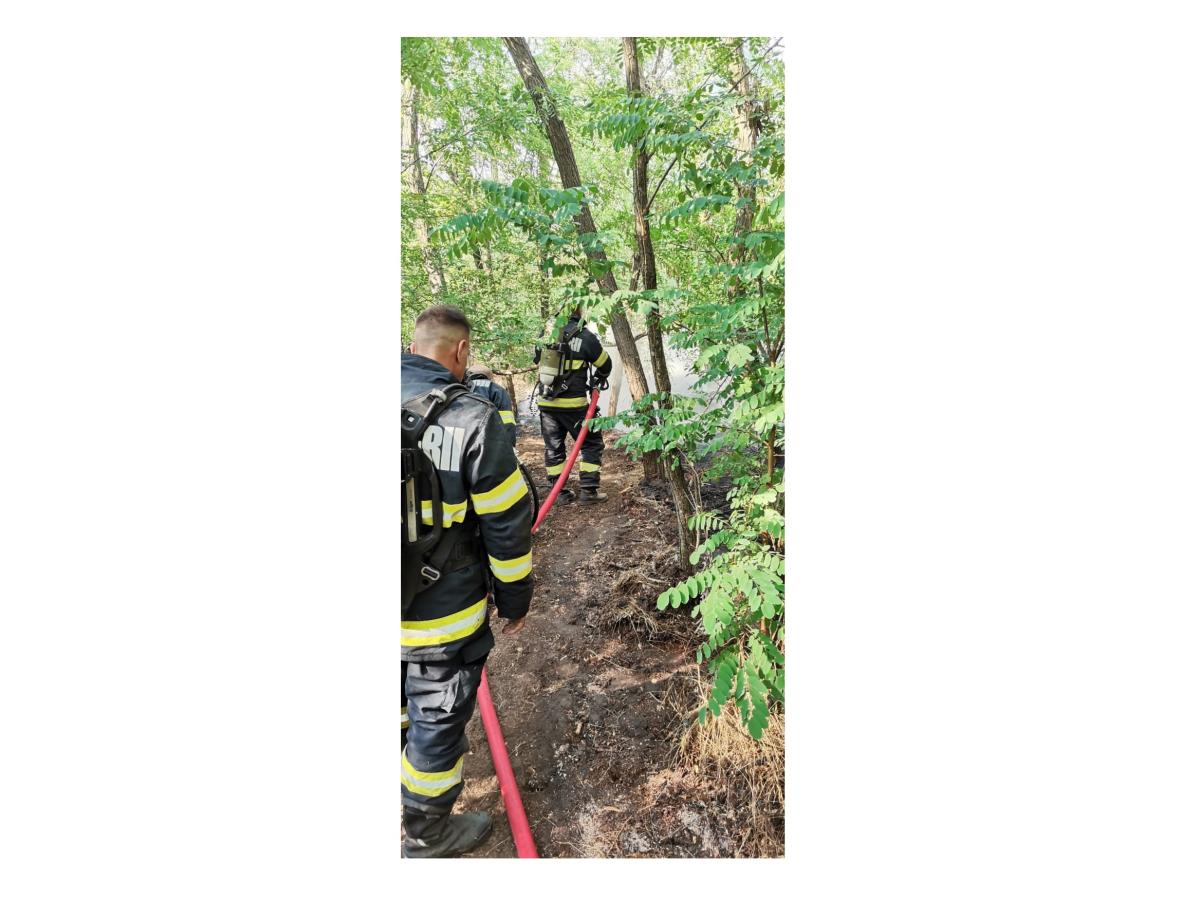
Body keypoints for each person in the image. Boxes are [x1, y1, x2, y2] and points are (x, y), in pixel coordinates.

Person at [402, 305, 533, 858]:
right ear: (460, 351)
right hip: (440, 614)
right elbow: (507, 522)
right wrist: (514, 599)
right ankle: (425, 835)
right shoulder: (471, 418)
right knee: (436, 717)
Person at [536, 308, 613, 501]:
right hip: (574, 406)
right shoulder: (585, 336)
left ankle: (559, 493)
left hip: (547, 403)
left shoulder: (546, 333)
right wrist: (599, 377)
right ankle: (588, 490)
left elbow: (537, 358)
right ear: (579, 312)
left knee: (553, 447)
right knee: (591, 443)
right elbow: (605, 364)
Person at [465, 364, 517, 447]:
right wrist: (510, 446)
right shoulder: (498, 390)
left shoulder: (460, 388)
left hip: (465, 442)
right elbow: (507, 422)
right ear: (490, 377)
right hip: (489, 442)